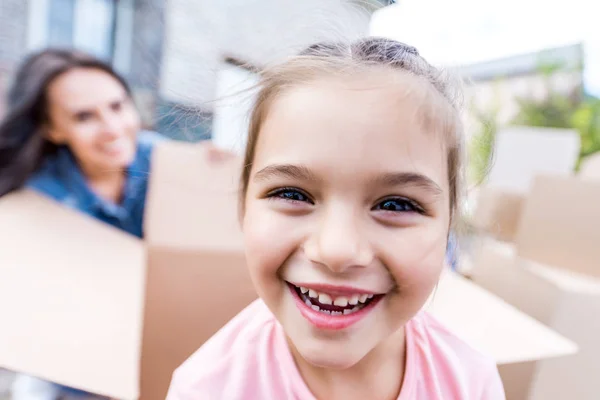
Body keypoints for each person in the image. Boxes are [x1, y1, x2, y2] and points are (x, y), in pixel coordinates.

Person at [166, 38, 506, 399]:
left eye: (395, 205)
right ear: (244, 210)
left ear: (447, 228)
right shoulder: (205, 390)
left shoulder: (470, 385)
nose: (337, 250)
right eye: (292, 195)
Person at [0, 48, 162, 399]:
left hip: (165, 352)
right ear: (52, 129)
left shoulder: (168, 164)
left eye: (118, 106)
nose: (113, 129)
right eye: (85, 117)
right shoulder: (36, 203)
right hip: (79, 368)